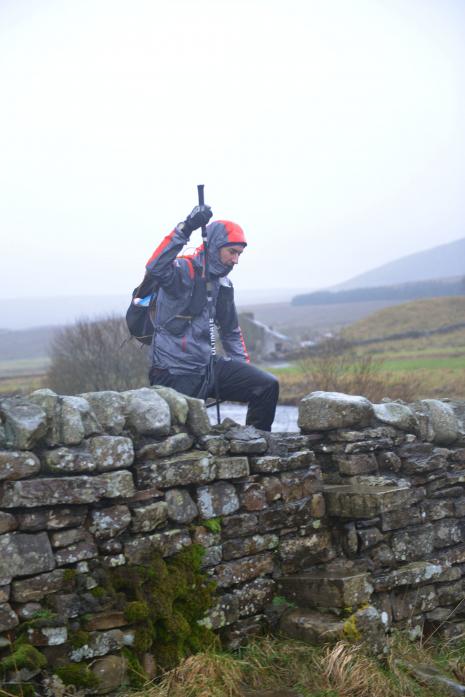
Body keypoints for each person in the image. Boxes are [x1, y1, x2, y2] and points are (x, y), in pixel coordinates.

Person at [145, 203, 279, 431]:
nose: (236, 260)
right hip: (173, 371)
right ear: (215, 246)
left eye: (239, 254)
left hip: (207, 368)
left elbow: (231, 332)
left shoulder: (224, 285)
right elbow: (155, 268)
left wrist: (242, 371)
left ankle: (257, 446)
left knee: (266, 385)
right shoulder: (180, 272)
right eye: (232, 252)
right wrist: (186, 228)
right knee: (188, 439)